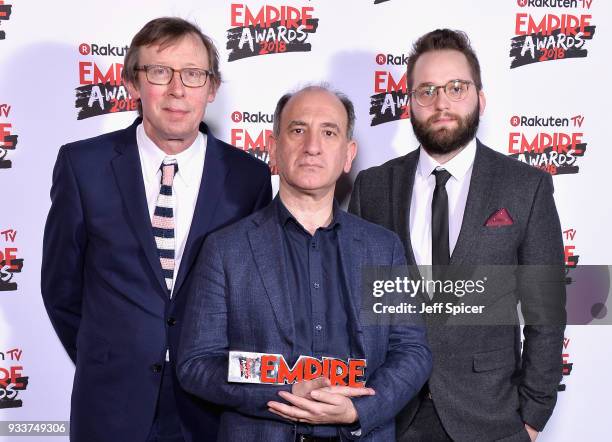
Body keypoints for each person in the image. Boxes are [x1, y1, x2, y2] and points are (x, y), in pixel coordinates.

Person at [41, 17, 271, 442]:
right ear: (132, 83)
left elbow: (252, 300)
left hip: (210, 409)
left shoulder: (248, 177)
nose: (177, 90)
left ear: (212, 88)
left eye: (193, 74)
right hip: (109, 405)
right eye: (160, 72)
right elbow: (61, 289)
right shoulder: (82, 167)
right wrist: (110, 356)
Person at [177, 85, 432, 441]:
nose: (312, 146)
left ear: (348, 155)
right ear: (273, 148)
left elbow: (412, 351)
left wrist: (359, 411)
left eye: (329, 132)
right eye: (298, 130)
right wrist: (279, 396)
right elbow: (197, 364)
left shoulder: (382, 248)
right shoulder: (225, 249)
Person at [349, 29, 565, 442]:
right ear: (409, 103)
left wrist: (533, 416)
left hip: (491, 419)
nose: (441, 102)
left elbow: (547, 311)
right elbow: (361, 306)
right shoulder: (373, 187)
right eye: (426, 90)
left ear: (480, 99)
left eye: (456, 87)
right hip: (391, 415)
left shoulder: (526, 187)